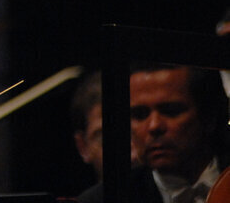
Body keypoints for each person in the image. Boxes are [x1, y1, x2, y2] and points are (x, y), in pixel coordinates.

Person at [77, 65, 228, 203]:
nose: (154, 126)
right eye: (140, 114)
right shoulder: (101, 199)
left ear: (208, 117)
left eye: (171, 111)